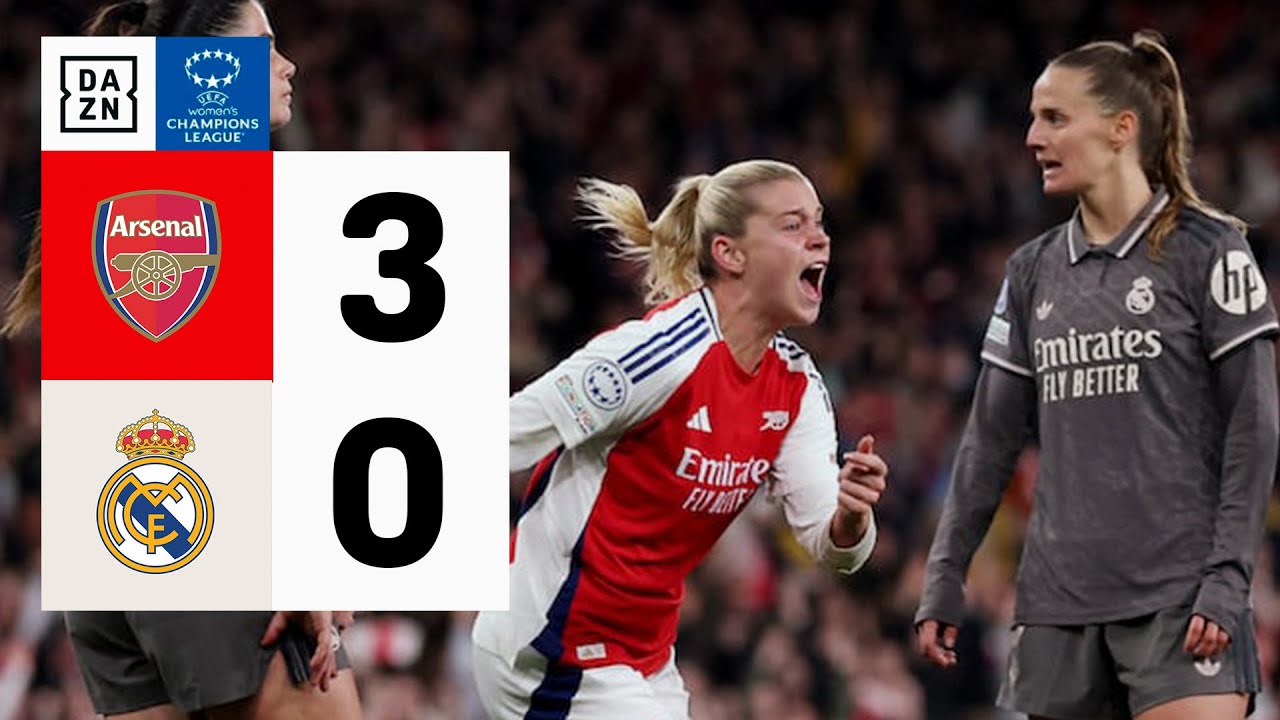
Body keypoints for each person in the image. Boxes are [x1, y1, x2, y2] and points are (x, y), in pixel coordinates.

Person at [10, 2, 362, 718]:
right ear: (207, 70)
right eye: (264, 47)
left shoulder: (116, 173)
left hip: (115, 523)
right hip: (199, 520)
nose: (288, 65)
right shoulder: (209, 186)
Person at [915, 30, 1278, 720]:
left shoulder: (1211, 251)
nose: (1033, 137)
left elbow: (1254, 428)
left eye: (1055, 118)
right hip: (1058, 608)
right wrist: (946, 572)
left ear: (1121, 129)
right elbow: (989, 439)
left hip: (1182, 598)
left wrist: (1229, 576)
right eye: (1033, 118)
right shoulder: (1031, 271)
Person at [473, 159, 889, 719]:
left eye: (819, 222)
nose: (820, 239)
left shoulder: (796, 386)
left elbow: (833, 545)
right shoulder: (658, 356)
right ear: (730, 254)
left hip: (642, 658)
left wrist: (852, 515)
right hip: (550, 645)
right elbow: (499, 435)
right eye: (793, 225)